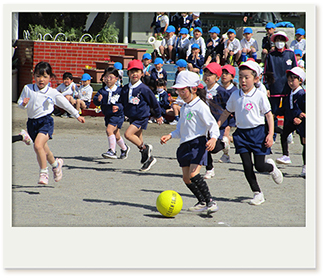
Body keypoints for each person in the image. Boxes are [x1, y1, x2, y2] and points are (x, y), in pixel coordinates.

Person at [217, 60, 283, 206]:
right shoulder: (235, 95)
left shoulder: (259, 95)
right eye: (240, 77)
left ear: (256, 78)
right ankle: (257, 193)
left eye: (247, 77)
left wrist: (270, 134)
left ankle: (271, 167)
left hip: (258, 133)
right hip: (241, 134)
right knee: (247, 166)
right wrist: (217, 127)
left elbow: (268, 116)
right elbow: (226, 112)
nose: (243, 80)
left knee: (259, 166)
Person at [160, 70, 219, 215]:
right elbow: (180, 130)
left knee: (194, 175)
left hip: (198, 144)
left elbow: (213, 125)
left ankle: (211, 201)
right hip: (184, 145)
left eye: (183, 90)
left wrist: (213, 138)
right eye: (178, 90)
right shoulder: (184, 107)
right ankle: (202, 201)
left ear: (193, 89)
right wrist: (170, 135)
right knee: (186, 178)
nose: (180, 93)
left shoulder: (201, 106)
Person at [17, 61, 85, 185]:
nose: (41, 79)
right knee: (44, 150)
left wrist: (76, 115)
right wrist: (23, 104)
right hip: (32, 123)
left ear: (50, 77)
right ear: (34, 76)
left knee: (37, 146)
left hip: (46, 122)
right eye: (38, 76)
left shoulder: (52, 92)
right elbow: (20, 104)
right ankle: (56, 164)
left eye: (45, 76)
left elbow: (64, 104)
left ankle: (44, 173)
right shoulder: (28, 88)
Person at [119, 59, 163, 172]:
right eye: (132, 71)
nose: (134, 74)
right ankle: (149, 159)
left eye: (137, 71)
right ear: (128, 74)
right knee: (138, 139)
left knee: (128, 134)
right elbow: (121, 102)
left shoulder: (144, 89)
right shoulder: (125, 88)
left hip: (141, 117)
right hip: (132, 117)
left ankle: (145, 148)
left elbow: (154, 102)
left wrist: (158, 115)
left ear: (142, 73)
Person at [264, 31, 298, 141]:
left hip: (288, 88)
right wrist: (267, 87)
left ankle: (288, 133)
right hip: (274, 88)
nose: (280, 42)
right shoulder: (271, 56)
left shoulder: (290, 54)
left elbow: (295, 71)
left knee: (289, 111)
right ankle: (272, 135)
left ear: (285, 41)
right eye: (277, 40)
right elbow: (266, 72)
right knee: (273, 113)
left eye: (281, 40)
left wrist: (295, 86)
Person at [275, 67, 306, 177]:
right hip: (290, 120)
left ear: (300, 80)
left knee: (305, 143)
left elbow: (305, 109)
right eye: (289, 80)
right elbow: (285, 107)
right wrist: (274, 112)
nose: (290, 83)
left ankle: (306, 166)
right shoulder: (289, 93)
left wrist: (301, 117)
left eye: (293, 80)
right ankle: (285, 155)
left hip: (301, 122)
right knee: (284, 135)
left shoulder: (302, 94)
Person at [93, 67, 129, 160]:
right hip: (108, 115)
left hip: (118, 115)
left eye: (110, 77)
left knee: (109, 130)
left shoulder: (120, 91)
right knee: (116, 135)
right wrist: (98, 99)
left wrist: (119, 107)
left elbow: (124, 103)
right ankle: (124, 148)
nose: (108, 79)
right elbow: (96, 101)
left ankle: (112, 151)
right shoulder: (102, 91)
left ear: (116, 79)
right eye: (106, 77)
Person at [202, 62, 231, 179]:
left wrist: (227, 124)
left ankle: (224, 143)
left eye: (210, 75)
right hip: (205, 124)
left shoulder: (222, 91)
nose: (207, 77)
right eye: (205, 74)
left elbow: (229, 108)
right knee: (205, 146)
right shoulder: (202, 90)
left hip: (219, 124)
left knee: (213, 149)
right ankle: (209, 169)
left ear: (217, 78)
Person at [219, 64, 238, 163]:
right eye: (222, 73)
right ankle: (236, 140)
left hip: (230, 116)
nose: (224, 75)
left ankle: (226, 155)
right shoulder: (219, 89)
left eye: (227, 73)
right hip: (220, 116)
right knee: (223, 137)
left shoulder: (234, 91)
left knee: (225, 136)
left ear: (232, 77)